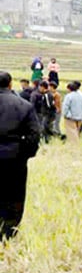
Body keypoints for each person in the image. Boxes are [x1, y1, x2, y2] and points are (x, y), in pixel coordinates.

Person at [0, 71, 40, 240]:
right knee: (14, 197)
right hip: (14, 159)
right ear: (10, 84)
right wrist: (23, 154)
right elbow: (34, 136)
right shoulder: (24, 105)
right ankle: (8, 234)